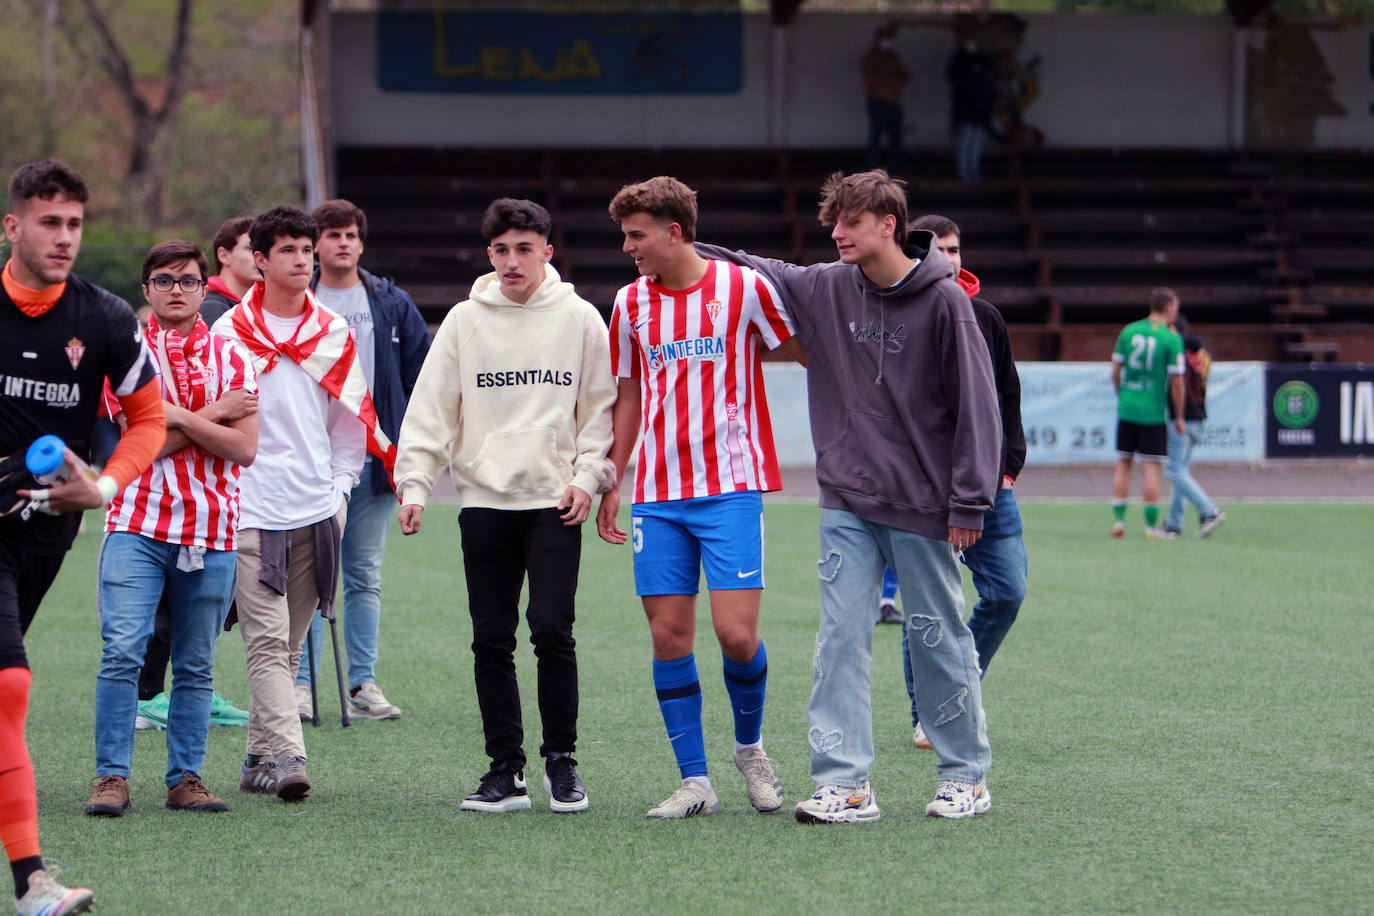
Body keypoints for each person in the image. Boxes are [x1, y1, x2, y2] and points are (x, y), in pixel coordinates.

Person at [696, 169, 1002, 822]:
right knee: (838, 640)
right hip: (846, 498)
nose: (836, 233)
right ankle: (846, 784)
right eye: (833, 222)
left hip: (923, 502)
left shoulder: (947, 303)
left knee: (936, 638)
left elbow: (979, 408)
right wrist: (679, 245)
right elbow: (756, 266)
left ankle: (966, 777)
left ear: (888, 225)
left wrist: (971, 501)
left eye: (850, 222)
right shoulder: (827, 285)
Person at [395, 198, 614, 814]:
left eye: (524, 248)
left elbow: (600, 409)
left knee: (551, 629)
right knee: (491, 639)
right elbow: (433, 407)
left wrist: (589, 478)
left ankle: (561, 762)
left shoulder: (580, 318)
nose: (512, 261)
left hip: (554, 501)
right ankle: (505, 770)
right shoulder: (465, 320)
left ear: (547, 251)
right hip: (484, 503)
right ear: (488, 254)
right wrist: (415, 483)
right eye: (501, 250)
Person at [595, 176, 800, 820]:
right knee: (667, 636)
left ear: (674, 232)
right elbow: (629, 394)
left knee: (736, 635)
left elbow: (805, 351)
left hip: (731, 487)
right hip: (658, 493)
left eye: (636, 236)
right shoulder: (629, 303)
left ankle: (750, 749)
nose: (628, 248)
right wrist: (613, 478)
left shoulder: (744, 289)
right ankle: (695, 782)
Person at [1, 158, 166, 915]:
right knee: (9, 683)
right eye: (49, 222)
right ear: (14, 226)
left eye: (74, 223)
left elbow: (147, 422)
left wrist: (101, 488)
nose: (65, 237)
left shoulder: (103, 318)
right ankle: (31, 882)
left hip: (47, 529)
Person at [211, 206, 385, 802]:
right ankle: (290, 757)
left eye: (307, 249)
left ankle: (257, 759)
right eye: (287, 250)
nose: (303, 260)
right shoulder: (228, 333)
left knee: (287, 648)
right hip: (250, 509)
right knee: (265, 643)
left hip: (317, 509)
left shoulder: (331, 330)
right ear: (259, 260)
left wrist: (339, 491)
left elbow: (349, 421)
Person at [84, 241, 257, 819]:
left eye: (187, 280)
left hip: (212, 529)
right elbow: (142, 447)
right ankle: (111, 776)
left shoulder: (234, 356)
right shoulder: (125, 356)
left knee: (196, 663)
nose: (176, 289)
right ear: (146, 290)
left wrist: (174, 416)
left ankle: (186, 778)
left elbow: (245, 449)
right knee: (122, 652)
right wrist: (210, 414)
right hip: (135, 522)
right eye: (164, 280)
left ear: (205, 289)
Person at [291, 199, 430, 722]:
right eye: (332, 235)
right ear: (316, 245)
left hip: (375, 459)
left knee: (364, 575)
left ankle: (362, 684)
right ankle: (300, 686)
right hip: (312, 459)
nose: (343, 243)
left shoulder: (390, 301)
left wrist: (409, 441)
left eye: (350, 234)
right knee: (307, 576)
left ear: (361, 242)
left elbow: (421, 374)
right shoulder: (297, 299)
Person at [895, 214, 1027, 750]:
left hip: (990, 489)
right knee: (928, 607)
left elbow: (1008, 397)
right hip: (925, 489)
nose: (949, 259)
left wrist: (1008, 467)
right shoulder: (900, 313)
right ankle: (928, 712)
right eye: (939, 250)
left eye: (954, 249)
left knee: (1008, 592)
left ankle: (962, 684)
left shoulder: (986, 316)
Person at [1111, 287, 1185, 540]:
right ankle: (1150, 527)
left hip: (1127, 406)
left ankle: (1119, 523)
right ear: (1169, 307)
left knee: (1123, 463)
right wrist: (1179, 416)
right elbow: (1177, 383)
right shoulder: (1171, 338)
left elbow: (1115, 370)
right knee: (1152, 468)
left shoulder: (1129, 331)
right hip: (1153, 412)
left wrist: (1121, 394)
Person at [1162, 314, 1225, 539]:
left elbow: (1176, 384)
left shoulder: (1176, 351)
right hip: (1199, 416)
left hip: (1182, 418)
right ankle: (1174, 524)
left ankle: (1209, 512)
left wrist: (1176, 415)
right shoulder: (1201, 353)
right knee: (1181, 472)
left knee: (1174, 471)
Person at [946, 34, 998, 182]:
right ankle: (963, 172)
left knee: (976, 141)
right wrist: (969, 71)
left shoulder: (982, 57)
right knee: (965, 139)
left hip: (980, 108)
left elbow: (993, 71)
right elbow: (951, 75)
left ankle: (973, 171)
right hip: (964, 107)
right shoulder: (959, 58)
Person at [861, 25, 909, 176]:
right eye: (885, 38)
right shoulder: (871, 57)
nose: (887, 41)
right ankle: (872, 171)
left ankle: (895, 171)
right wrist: (890, 79)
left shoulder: (893, 56)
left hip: (894, 102)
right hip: (878, 101)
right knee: (876, 137)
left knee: (895, 138)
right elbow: (872, 79)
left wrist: (897, 79)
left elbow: (903, 75)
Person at [198, 216, 256, 327]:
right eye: (250, 248)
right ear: (224, 256)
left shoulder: (258, 309)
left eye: (264, 250)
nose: (260, 256)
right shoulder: (212, 308)